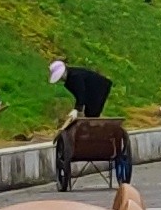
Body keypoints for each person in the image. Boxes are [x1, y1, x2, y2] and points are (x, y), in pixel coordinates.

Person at [47, 57, 128, 187]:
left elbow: (81, 93)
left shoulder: (75, 77)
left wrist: (77, 109)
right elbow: (81, 95)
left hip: (99, 88)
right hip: (92, 90)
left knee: (92, 116)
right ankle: (93, 138)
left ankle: (95, 140)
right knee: (90, 115)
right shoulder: (70, 79)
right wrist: (78, 108)